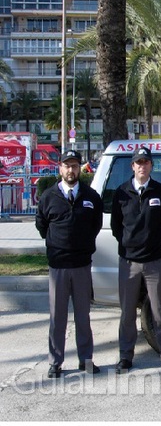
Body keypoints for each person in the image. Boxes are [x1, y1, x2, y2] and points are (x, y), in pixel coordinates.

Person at [35, 150, 103, 378]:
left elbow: (95, 225)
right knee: (58, 317)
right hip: (58, 266)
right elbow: (42, 225)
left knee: (83, 316)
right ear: (60, 169)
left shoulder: (91, 196)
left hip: (82, 265)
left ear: (79, 169)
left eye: (74, 166)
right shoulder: (48, 196)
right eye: (67, 166)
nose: (71, 170)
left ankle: (86, 359)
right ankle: (55, 361)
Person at [110, 147, 161, 374]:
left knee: (160, 310)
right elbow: (116, 227)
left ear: (151, 166)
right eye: (138, 162)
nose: (142, 166)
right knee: (127, 312)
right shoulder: (121, 192)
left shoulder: (160, 192)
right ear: (133, 166)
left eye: (146, 162)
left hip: (154, 261)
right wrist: (129, 244)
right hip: (129, 261)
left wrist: (154, 244)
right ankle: (125, 357)